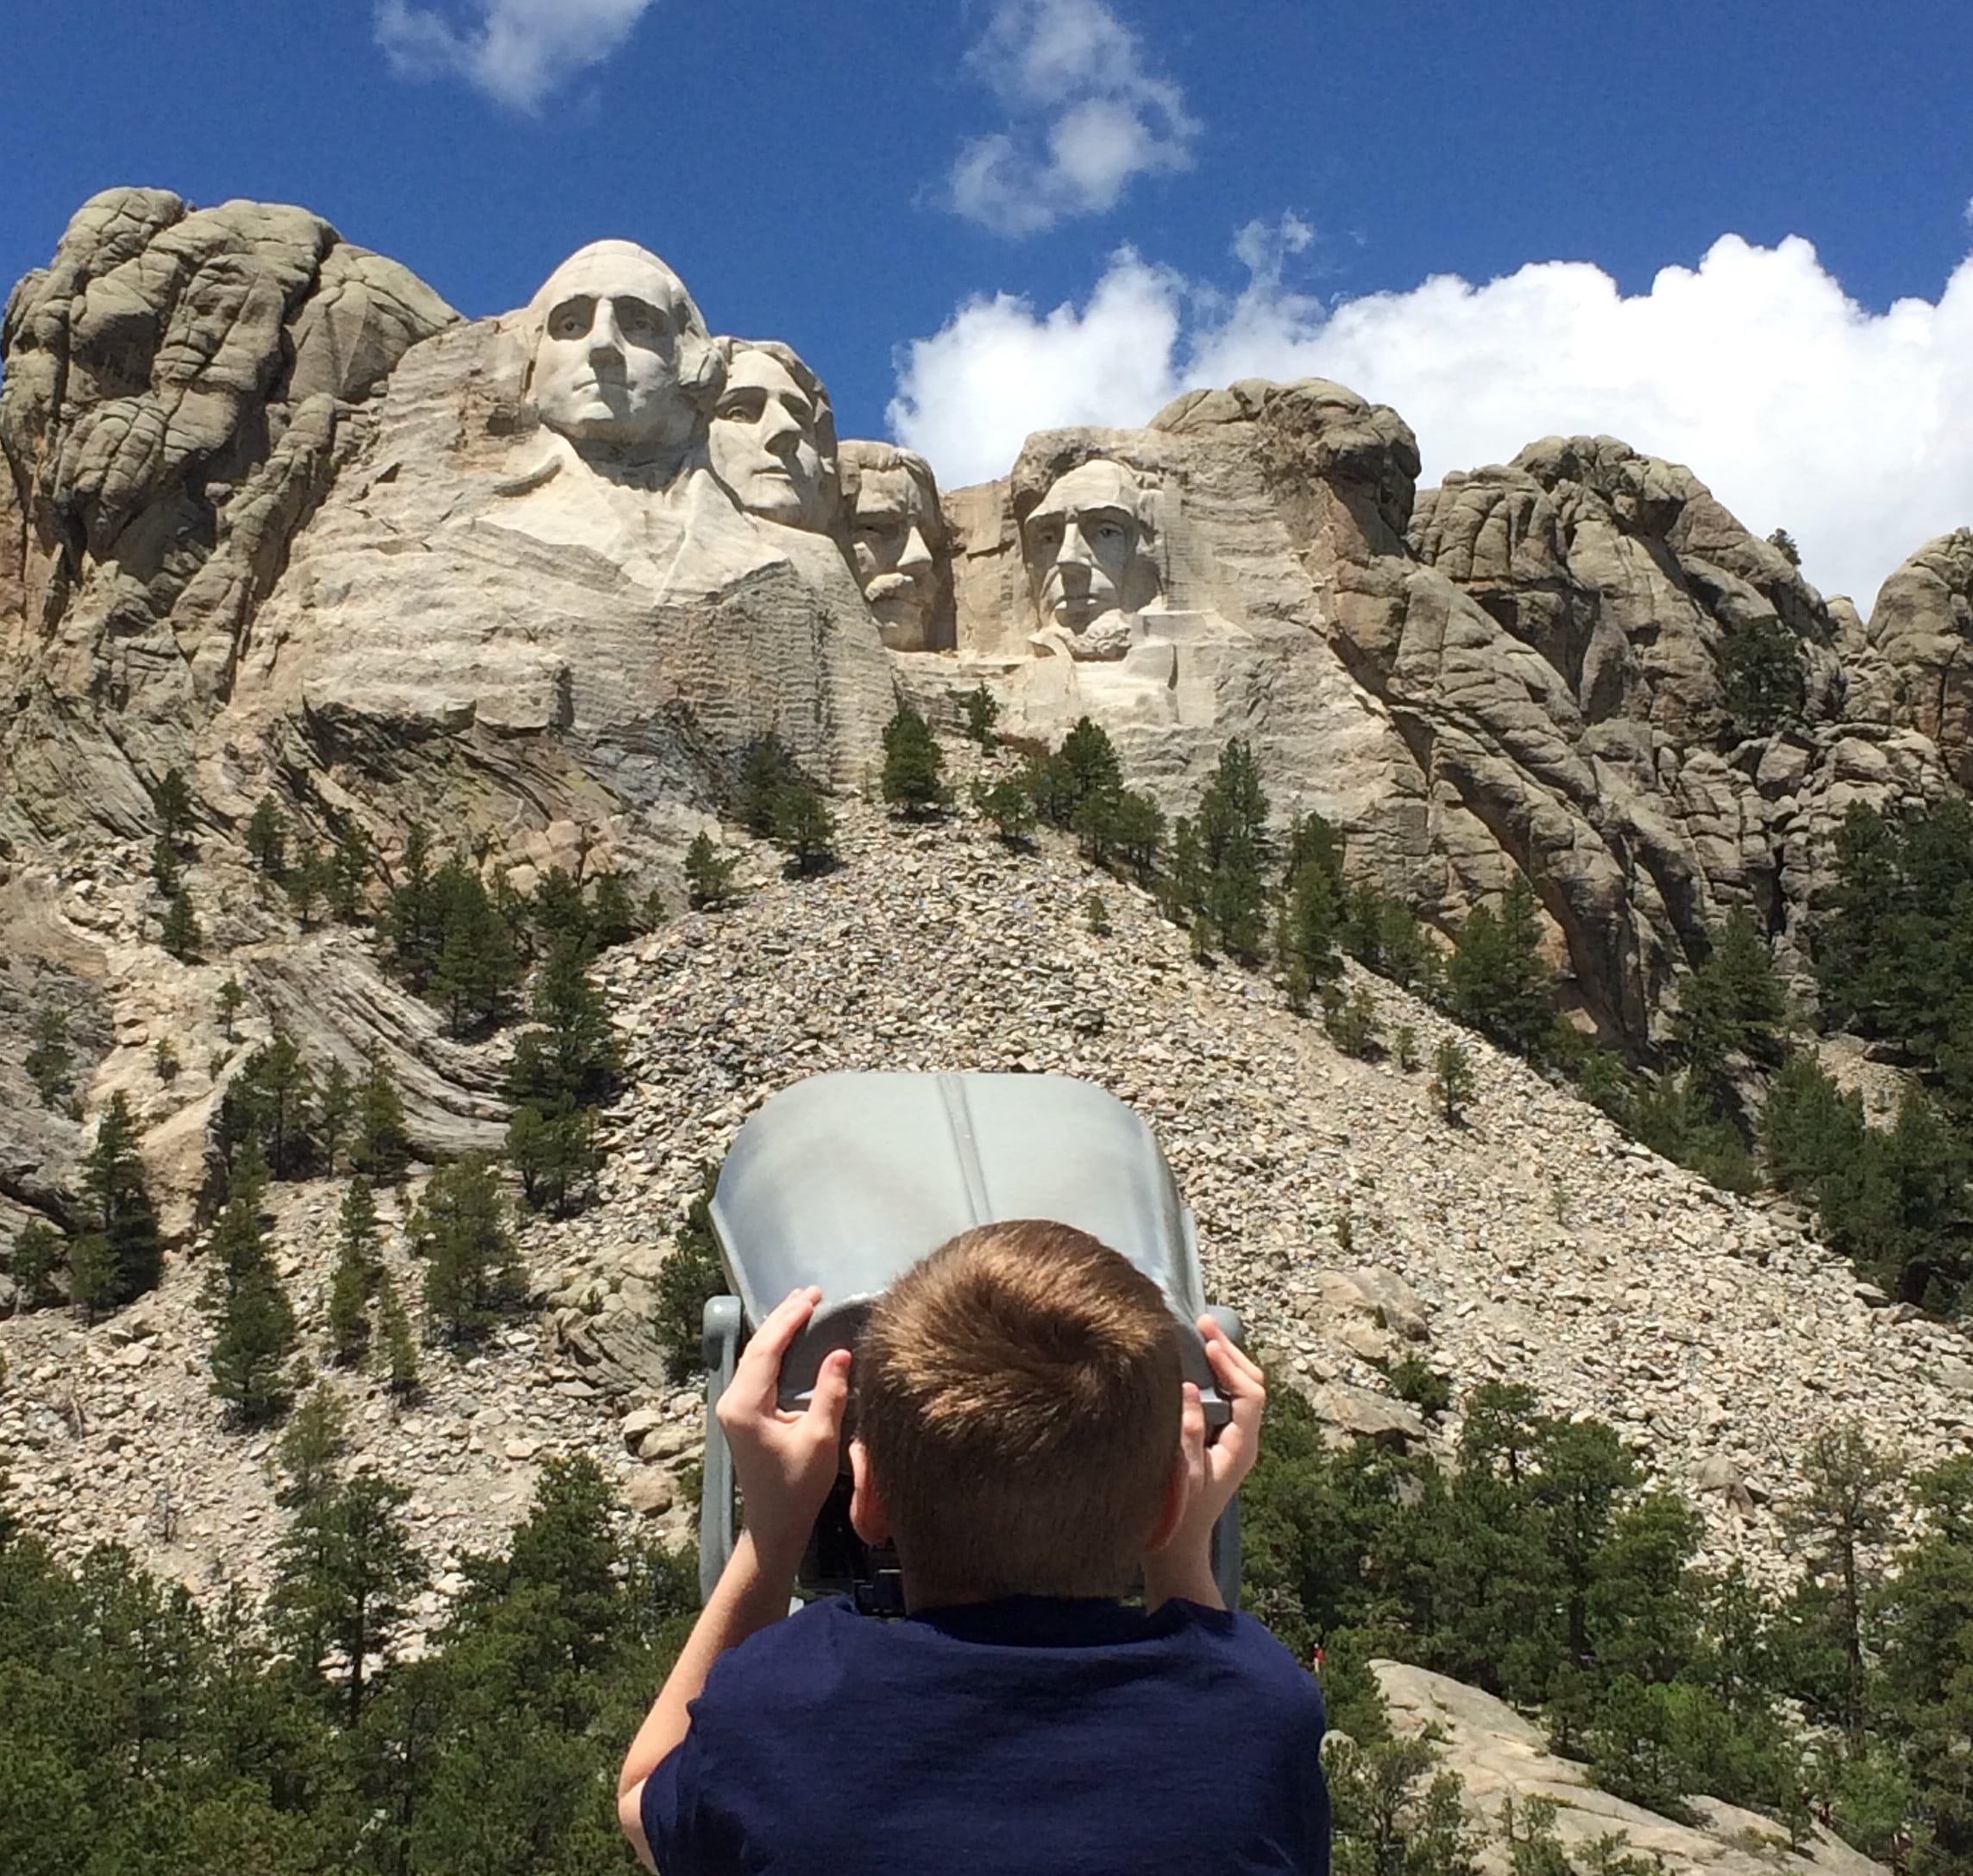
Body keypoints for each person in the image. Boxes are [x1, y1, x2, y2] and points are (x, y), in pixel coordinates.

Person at [617, 1219, 1330, 1875]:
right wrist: (1179, 1553)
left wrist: (770, 1540)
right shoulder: (1258, 1716)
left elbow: (645, 1798)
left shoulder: (780, 1705)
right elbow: (1223, 1694)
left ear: (865, 1499)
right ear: (1171, 1501)